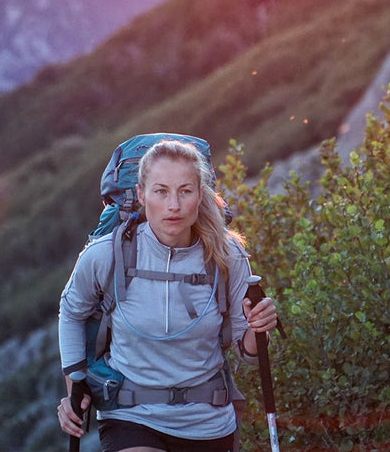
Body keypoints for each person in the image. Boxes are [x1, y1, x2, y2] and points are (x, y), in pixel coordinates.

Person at [57, 139, 279, 452]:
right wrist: (74, 384)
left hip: (209, 421)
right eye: (161, 191)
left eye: (185, 191)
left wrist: (259, 329)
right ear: (141, 194)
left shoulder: (228, 256)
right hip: (131, 416)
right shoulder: (106, 254)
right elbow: (71, 312)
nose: (173, 205)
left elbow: (249, 353)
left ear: (201, 195)